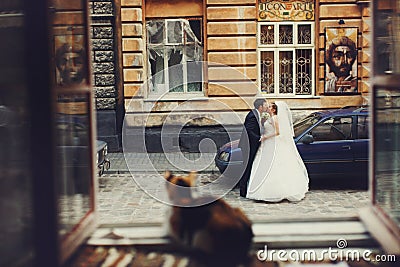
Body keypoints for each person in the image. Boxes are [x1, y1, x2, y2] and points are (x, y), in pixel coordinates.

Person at [246, 101, 309, 202]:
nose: (267, 107)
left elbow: (277, 132)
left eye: (270, 106)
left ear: (274, 109)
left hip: (272, 142)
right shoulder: (268, 118)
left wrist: (265, 137)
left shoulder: (275, 118)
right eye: (267, 105)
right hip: (266, 144)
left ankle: (276, 191)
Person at [238, 98, 268, 197]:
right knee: (247, 167)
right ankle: (243, 191)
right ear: (260, 107)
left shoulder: (256, 114)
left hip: (251, 145)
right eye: (265, 105)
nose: (266, 106)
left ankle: (246, 189)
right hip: (248, 146)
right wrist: (258, 138)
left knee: (249, 166)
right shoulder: (252, 115)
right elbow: (248, 130)